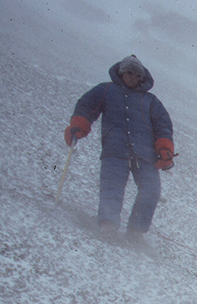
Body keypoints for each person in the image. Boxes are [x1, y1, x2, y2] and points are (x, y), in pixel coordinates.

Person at [63, 55, 174, 239]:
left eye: (137, 74)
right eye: (129, 72)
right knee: (112, 187)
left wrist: (165, 149)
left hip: (145, 155)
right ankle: (108, 226)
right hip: (115, 150)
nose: (133, 77)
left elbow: (163, 126)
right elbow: (86, 106)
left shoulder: (151, 101)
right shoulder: (105, 90)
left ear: (142, 78)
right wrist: (79, 125)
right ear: (121, 73)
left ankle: (136, 232)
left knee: (151, 190)